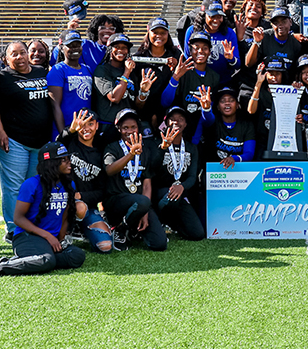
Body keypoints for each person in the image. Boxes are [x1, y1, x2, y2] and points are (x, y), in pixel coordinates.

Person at [0, 141, 86, 280]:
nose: (69, 162)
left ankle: (27, 261)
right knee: (46, 261)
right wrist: (48, 236)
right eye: (64, 160)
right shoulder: (31, 184)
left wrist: (60, 239)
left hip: (49, 240)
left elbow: (64, 215)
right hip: (27, 237)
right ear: (51, 163)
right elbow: (18, 218)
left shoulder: (69, 184)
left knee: (77, 256)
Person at [0, 41, 54, 239]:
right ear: (6, 59)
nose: (19, 57)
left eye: (22, 52)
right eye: (14, 54)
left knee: (33, 185)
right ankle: (12, 229)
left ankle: (30, 224)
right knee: (13, 187)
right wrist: (0, 131)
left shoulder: (41, 72)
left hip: (40, 142)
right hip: (14, 140)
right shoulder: (1, 77)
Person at [104, 109, 164, 250]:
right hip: (116, 201)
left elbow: (147, 183)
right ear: (119, 129)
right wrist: (130, 155)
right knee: (141, 201)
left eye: (133, 127)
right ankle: (118, 229)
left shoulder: (145, 150)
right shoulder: (112, 148)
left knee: (159, 244)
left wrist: (145, 210)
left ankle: (129, 229)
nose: (129, 131)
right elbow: (109, 170)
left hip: (139, 203)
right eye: (125, 128)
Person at [58, 109, 114, 253]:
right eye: (83, 124)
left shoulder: (101, 151)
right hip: (65, 205)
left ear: (97, 126)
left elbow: (102, 192)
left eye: (90, 124)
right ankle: (68, 230)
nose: (86, 128)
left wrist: (81, 196)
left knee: (106, 245)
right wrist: (71, 130)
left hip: (88, 207)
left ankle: (81, 228)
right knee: (79, 207)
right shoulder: (69, 143)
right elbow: (58, 142)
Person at [153, 107, 206, 241]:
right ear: (166, 122)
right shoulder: (155, 144)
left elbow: (193, 176)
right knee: (171, 197)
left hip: (180, 193)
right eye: (172, 119)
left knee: (197, 234)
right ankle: (158, 221)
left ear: (186, 124)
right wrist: (162, 149)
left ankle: (173, 224)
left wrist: (181, 186)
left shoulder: (191, 148)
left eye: (181, 119)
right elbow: (151, 170)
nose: (176, 122)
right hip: (159, 194)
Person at [161, 31, 218, 145]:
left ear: (210, 52)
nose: (200, 51)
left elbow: (209, 121)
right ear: (190, 51)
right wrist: (175, 78)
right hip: (179, 128)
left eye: (205, 48)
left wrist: (206, 109)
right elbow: (165, 102)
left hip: (201, 133)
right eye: (196, 48)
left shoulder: (214, 77)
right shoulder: (182, 72)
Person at [132, 17, 181, 128]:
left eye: (163, 33)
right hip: (144, 111)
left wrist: (176, 68)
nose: (159, 36)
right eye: (155, 32)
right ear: (148, 31)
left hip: (169, 111)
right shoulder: (138, 57)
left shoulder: (176, 54)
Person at [184, 0, 240, 85]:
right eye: (212, 16)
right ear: (204, 15)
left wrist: (231, 58)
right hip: (198, 81)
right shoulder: (192, 31)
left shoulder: (229, 33)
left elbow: (237, 64)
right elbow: (187, 59)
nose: (216, 20)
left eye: (219, 16)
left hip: (223, 82)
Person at [48, 30, 92, 138]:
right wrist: (64, 134)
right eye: (70, 46)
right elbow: (55, 105)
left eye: (78, 45)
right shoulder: (58, 70)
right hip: (67, 128)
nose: (75, 49)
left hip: (85, 129)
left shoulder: (87, 69)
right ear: (62, 48)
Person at [92, 33, 136, 137]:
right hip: (108, 127)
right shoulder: (101, 70)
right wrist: (126, 74)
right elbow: (114, 97)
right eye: (116, 47)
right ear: (109, 49)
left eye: (124, 48)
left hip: (128, 127)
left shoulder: (132, 70)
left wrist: (144, 91)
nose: (121, 50)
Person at [56, 14, 125, 74]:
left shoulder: (120, 50)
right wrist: (69, 33)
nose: (107, 30)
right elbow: (58, 54)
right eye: (102, 28)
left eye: (111, 28)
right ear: (95, 30)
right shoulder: (85, 44)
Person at [245, 7, 303, 78]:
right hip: (264, 82)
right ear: (271, 24)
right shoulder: (264, 37)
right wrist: (256, 42)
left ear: (290, 22)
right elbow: (248, 63)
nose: (280, 25)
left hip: (286, 84)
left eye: (284, 22)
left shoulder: (295, 43)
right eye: (276, 23)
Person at [247, 57, 289, 154]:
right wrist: (259, 83)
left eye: (278, 74)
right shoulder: (260, 91)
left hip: (284, 141)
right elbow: (251, 110)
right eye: (271, 74)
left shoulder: (289, 92)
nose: (274, 77)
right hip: (262, 140)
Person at [208, 86, 256, 167]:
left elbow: (249, 153)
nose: (227, 103)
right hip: (214, 171)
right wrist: (206, 109)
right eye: (222, 101)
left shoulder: (247, 125)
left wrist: (234, 158)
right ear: (218, 107)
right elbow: (207, 119)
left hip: (239, 170)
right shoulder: (214, 122)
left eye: (231, 100)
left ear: (237, 105)